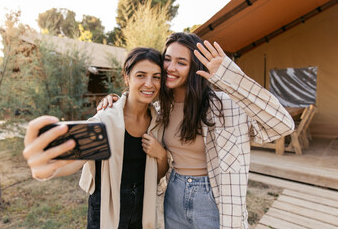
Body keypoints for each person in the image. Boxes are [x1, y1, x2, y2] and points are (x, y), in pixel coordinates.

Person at [97, 32, 295, 229]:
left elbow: (283, 124)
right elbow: (134, 103)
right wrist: (116, 102)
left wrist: (230, 77)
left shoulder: (224, 106)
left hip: (212, 197)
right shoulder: (160, 109)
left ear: (194, 68)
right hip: (174, 193)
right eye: (167, 59)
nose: (171, 68)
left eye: (181, 62)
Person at [23, 47, 169, 229]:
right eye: (141, 75)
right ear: (126, 77)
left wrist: (161, 155)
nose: (149, 83)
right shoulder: (106, 120)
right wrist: (47, 168)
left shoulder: (158, 122)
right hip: (107, 207)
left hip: (142, 207)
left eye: (156, 77)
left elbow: (159, 173)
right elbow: (75, 161)